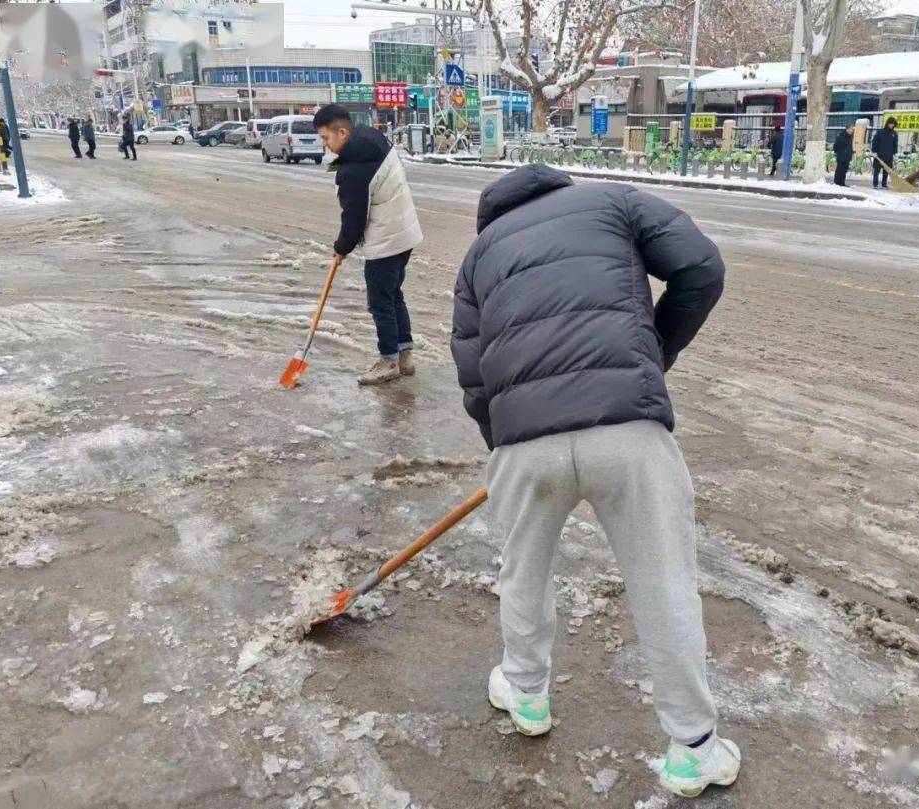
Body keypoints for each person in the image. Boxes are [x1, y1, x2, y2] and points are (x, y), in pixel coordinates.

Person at [450, 164, 739, 799]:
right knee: (663, 582)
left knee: (522, 573)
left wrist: (505, 440)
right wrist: (650, 356)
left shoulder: (479, 253)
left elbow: (471, 368)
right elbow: (701, 268)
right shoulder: (614, 201)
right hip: (628, 432)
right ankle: (693, 748)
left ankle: (526, 698)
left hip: (523, 441)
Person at [313, 104, 423, 385]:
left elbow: (353, 219)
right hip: (404, 234)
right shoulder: (371, 139)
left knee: (380, 302)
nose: (326, 146)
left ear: (342, 132)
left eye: (326, 139)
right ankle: (404, 356)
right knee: (393, 295)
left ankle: (388, 361)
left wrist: (341, 249)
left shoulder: (355, 168)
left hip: (386, 240)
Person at [871, 116, 899, 189]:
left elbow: (895, 144)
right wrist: (874, 151)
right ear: (887, 124)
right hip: (879, 155)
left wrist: (895, 153)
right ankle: (875, 184)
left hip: (889, 155)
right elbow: (875, 142)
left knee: (886, 170)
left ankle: (884, 184)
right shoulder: (880, 132)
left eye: (893, 124)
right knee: (877, 170)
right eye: (890, 123)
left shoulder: (894, 134)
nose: (891, 125)